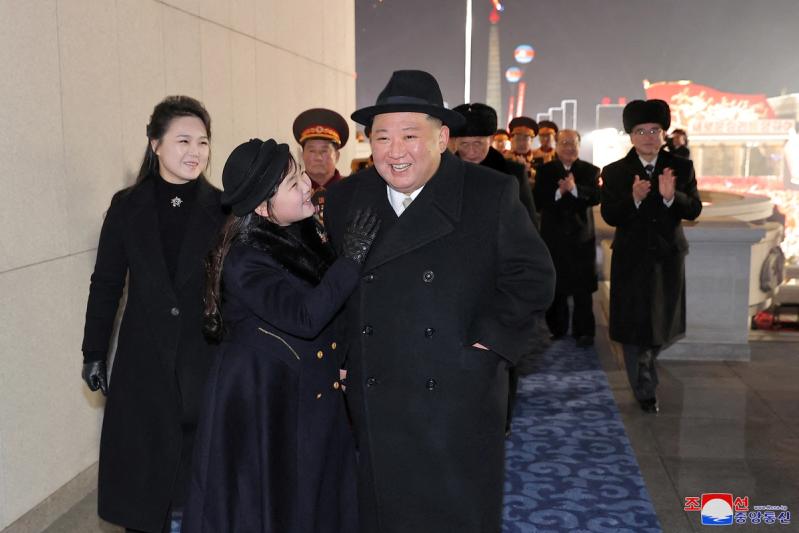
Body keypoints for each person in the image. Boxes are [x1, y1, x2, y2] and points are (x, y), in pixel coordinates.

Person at [324, 70, 555, 533]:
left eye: (410, 135)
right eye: (382, 137)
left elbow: (533, 277)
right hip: (378, 389)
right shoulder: (347, 196)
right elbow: (336, 284)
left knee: (454, 514)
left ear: (442, 137)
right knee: (384, 512)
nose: (394, 150)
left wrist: (488, 346)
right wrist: (344, 355)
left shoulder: (489, 193)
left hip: (457, 391)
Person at [182, 138, 380, 532]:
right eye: (294, 183)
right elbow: (305, 316)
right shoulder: (245, 257)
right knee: (276, 501)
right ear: (261, 206)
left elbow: (333, 313)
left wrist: (342, 362)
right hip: (265, 395)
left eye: (301, 175)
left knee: (320, 497)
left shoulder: (300, 232)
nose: (308, 184)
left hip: (308, 388)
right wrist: (352, 260)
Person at [80, 95, 226, 532]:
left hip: (205, 361)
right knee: (145, 487)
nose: (194, 151)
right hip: (143, 364)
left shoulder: (223, 209)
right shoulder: (127, 206)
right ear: (155, 144)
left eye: (202, 142)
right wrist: (94, 351)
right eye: (183, 140)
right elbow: (106, 284)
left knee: (198, 486)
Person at [600, 99, 702, 413]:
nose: (648, 137)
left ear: (663, 133)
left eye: (654, 130)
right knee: (633, 324)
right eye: (641, 131)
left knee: (661, 321)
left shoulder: (680, 167)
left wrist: (674, 197)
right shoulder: (615, 171)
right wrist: (633, 199)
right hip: (631, 259)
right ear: (630, 136)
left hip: (667, 257)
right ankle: (644, 385)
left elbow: (694, 208)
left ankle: (648, 355)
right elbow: (610, 215)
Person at [534, 129, 601, 347]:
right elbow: (537, 200)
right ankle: (557, 329)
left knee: (583, 289)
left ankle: (584, 332)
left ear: (579, 146)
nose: (569, 147)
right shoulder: (544, 171)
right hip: (553, 238)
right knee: (557, 287)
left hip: (581, 238)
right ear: (556, 145)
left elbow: (595, 197)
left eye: (573, 143)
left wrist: (574, 190)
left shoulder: (590, 170)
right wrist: (558, 193)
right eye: (564, 143)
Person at [451, 103, 537, 224]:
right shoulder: (443, 172)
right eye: (464, 144)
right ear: (455, 142)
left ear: (491, 140)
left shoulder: (513, 173)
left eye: (478, 143)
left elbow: (529, 223)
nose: (471, 151)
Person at [292, 108, 350, 225]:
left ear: (337, 156)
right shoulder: (291, 192)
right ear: (302, 155)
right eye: (312, 151)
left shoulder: (352, 190)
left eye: (324, 151)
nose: (318, 157)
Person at [505, 115, 539, 188]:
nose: (521, 143)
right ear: (511, 139)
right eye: (518, 139)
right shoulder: (502, 160)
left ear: (532, 140)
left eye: (525, 139)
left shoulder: (540, 160)